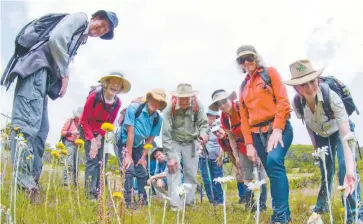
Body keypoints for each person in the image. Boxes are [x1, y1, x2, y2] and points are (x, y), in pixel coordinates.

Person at [3, 10, 119, 201]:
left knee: (41, 130)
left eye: (105, 30)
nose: (101, 30)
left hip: (44, 80)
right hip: (35, 70)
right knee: (26, 126)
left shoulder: (80, 39)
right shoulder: (80, 18)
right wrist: (65, 74)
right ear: (96, 17)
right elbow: (56, 38)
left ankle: (32, 181)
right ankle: (23, 185)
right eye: (103, 24)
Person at [285, 59, 363, 224]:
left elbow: (345, 135)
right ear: (296, 88)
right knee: (326, 171)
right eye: (303, 84)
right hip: (321, 134)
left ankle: (355, 215)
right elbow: (308, 124)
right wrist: (315, 146)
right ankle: (321, 207)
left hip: (340, 132)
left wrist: (350, 169)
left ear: (318, 79)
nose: (309, 87)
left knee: (344, 169)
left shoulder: (332, 97)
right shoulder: (297, 102)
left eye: (312, 81)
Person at [237, 45, 293, 223]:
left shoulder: (270, 73)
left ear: (256, 57)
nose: (246, 62)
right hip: (256, 136)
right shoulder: (243, 86)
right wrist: (249, 144)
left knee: (274, 161)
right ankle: (285, 215)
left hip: (278, 129)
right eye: (242, 60)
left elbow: (283, 101)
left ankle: (280, 217)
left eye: (249, 58)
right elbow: (244, 118)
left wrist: (277, 129)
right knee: (273, 173)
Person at [209, 89, 267, 211]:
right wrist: (236, 157)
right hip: (241, 147)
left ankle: (262, 206)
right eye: (219, 104)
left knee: (260, 175)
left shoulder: (242, 107)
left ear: (230, 99)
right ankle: (250, 206)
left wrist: (258, 149)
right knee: (246, 176)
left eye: (224, 101)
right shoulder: (224, 119)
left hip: (256, 142)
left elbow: (257, 126)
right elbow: (231, 137)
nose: (223, 105)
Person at [80, 72, 130, 200]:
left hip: (101, 132)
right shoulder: (94, 96)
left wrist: (99, 137)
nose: (115, 86)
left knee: (100, 161)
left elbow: (109, 122)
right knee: (92, 159)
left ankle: (97, 191)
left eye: (119, 84)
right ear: (106, 83)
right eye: (113, 82)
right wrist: (92, 141)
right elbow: (84, 121)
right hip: (88, 128)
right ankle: (89, 194)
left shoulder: (117, 102)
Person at [116, 88, 167, 209]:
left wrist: (144, 157)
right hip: (123, 141)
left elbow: (149, 140)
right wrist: (128, 155)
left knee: (142, 171)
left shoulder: (158, 119)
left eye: (159, 101)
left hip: (138, 144)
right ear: (148, 98)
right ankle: (129, 201)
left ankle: (143, 200)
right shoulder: (134, 108)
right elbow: (130, 133)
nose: (155, 103)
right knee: (128, 168)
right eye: (153, 99)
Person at [162, 83, 208, 211]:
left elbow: (203, 124)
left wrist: (204, 134)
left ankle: (189, 202)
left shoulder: (198, 106)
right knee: (174, 170)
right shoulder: (169, 110)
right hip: (175, 142)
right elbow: (166, 134)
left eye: (186, 98)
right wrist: (170, 156)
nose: (184, 101)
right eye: (181, 98)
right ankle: (176, 205)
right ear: (176, 97)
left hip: (192, 141)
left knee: (191, 173)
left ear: (191, 97)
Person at [212, 122, 246, 203]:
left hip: (242, 152)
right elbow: (229, 153)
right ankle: (243, 197)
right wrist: (237, 167)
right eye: (214, 132)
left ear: (222, 127)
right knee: (239, 176)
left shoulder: (232, 133)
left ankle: (250, 196)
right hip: (234, 156)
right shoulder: (220, 140)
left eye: (218, 130)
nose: (217, 133)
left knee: (247, 175)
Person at [198, 110, 224, 205]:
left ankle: (220, 201)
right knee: (206, 179)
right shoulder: (201, 128)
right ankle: (212, 201)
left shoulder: (218, 127)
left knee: (217, 179)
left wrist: (221, 155)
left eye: (214, 117)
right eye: (210, 117)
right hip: (203, 157)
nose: (212, 119)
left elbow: (222, 142)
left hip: (216, 158)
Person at [61, 106, 83, 186]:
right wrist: (71, 133)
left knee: (76, 164)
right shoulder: (70, 121)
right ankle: (66, 182)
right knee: (69, 163)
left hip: (77, 145)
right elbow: (62, 132)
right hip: (69, 143)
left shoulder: (81, 124)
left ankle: (75, 182)